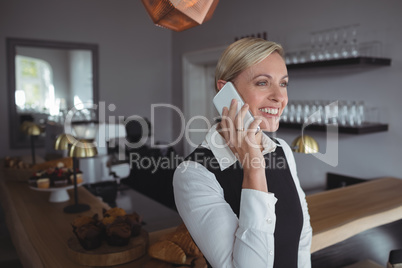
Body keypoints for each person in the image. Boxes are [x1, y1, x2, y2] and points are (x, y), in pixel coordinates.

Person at [173, 37, 312, 268]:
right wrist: (254, 168)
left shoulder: (282, 151)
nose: (279, 97)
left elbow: (303, 240)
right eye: (262, 83)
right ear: (225, 90)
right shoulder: (193, 174)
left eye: (284, 83)